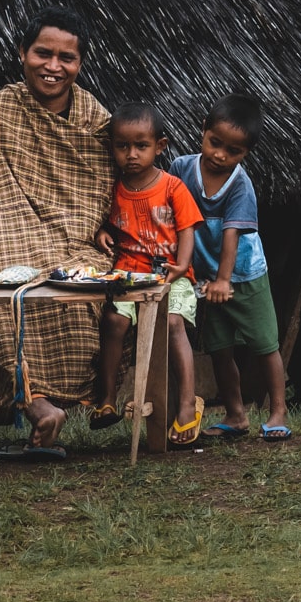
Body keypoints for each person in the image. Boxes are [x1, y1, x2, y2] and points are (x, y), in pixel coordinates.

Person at [0, 7, 116, 448]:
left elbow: (111, 190)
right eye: (42, 53)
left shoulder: (96, 121)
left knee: (78, 293)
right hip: (2, 234)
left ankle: (52, 401)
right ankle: (37, 404)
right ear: (22, 53)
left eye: (66, 58)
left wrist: (106, 227)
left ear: (80, 63)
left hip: (75, 243)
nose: (53, 66)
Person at [170, 95, 294, 442]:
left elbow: (231, 234)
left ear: (246, 153)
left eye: (233, 151)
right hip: (206, 276)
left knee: (265, 344)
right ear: (203, 130)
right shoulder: (181, 168)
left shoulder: (240, 185)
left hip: (243, 275)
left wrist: (224, 280)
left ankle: (278, 410)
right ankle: (235, 415)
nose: (220, 155)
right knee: (219, 348)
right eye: (215, 143)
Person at [90, 102, 205, 445]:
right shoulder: (113, 188)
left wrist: (182, 265)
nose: (131, 155)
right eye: (122, 146)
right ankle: (107, 399)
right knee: (114, 322)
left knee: (173, 324)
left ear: (160, 146)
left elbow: (187, 228)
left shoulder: (172, 187)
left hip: (172, 274)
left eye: (141, 146)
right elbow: (108, 222)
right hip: (129, 275)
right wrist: (102, 232)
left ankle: (188, 404)